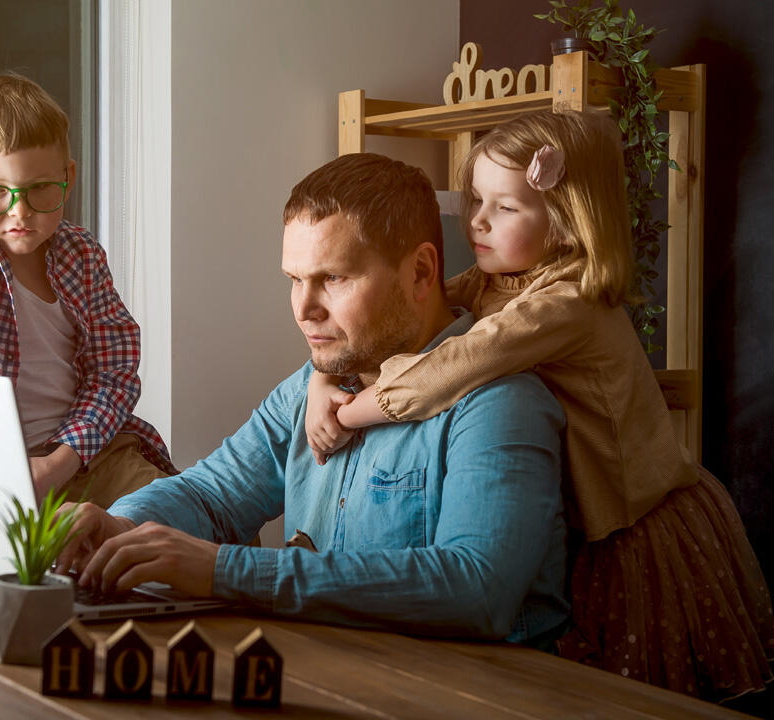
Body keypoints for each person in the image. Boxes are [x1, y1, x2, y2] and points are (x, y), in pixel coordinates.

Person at [305, 111, 774, 700]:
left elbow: (456, 363)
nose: (476, 222)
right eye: (476, 200)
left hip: (631, 522)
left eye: (505, 209)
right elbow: (390, 316)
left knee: (627, 693)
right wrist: (321, 381)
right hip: (573, 508)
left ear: (564, 219)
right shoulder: (489, 280)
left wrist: (345, 414)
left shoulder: (567, 301)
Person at [60, 153, 570, 644]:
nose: (304, 309)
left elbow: (476, 588)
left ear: (419, 272)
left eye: (334, 278)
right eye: (295, 280)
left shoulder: (500, 402)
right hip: (331, 675)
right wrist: (121, 524)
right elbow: (211, 495)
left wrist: (223, 571)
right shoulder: (311, 387)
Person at [0, 72, 175, 506]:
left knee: (178, 518)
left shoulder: (80, 252)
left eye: (41, 189)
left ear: (67, 175)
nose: (21, 211)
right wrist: (8, 475)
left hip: (88, 453)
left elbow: (114, 372)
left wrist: (60, 463)